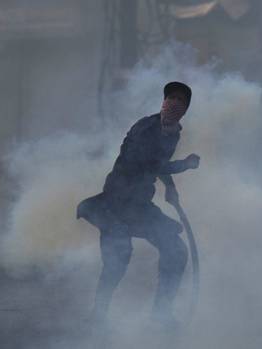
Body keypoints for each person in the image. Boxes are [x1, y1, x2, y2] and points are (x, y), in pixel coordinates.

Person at [76, 81, 200, 326]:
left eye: (180, 101)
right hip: (114, 204)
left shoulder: (173, 133)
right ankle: (98, 317)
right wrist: (184, 165)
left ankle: (161, 315)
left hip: (140, 207)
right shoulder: (144, 128)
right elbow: (148, 164)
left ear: (185, 108)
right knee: (118, 258)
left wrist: (171, 190)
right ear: (163, 101)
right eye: (171, 98)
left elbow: (160, 161)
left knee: (176, 251)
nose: (174, 103)